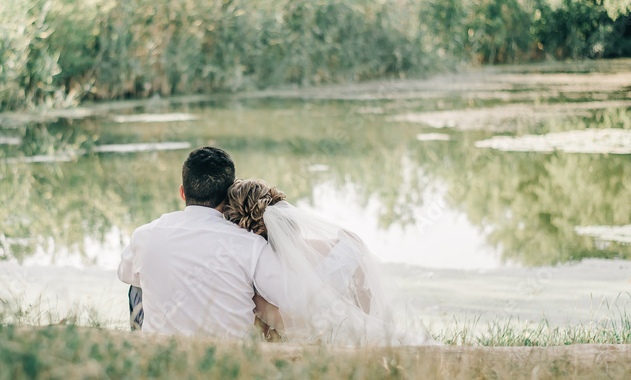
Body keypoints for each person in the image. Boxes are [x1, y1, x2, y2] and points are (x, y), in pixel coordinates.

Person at [223, 178, 438, 346]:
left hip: (334, 351)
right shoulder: (340, 249)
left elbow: (277, 335)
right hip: (377, 338)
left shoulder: (257, 285)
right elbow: (372, 304)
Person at [117, 147, 286, 338]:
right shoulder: (251, 243)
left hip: (164, 347)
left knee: (137, 285)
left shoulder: (144, 235)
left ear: (182, 193)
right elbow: (282, 296)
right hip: (231, 351)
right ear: (228, 197)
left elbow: (124, 273)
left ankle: (141, 341)